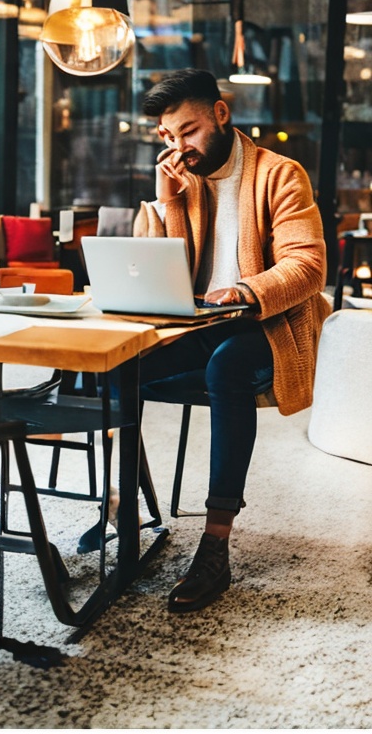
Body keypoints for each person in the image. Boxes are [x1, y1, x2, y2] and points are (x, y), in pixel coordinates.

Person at [133, 68, 331, 612]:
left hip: (272, 324)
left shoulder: (280, 173)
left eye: (189, 131)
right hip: (203, 324)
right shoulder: (182, 179)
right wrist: (166, 198)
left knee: (226, 370)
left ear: (221, 114)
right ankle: (126, 512)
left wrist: (243, 290)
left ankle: (215, 544)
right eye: (168, 137)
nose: (180, 147)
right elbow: (161, 271)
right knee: (121, 364)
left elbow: (309, 266)